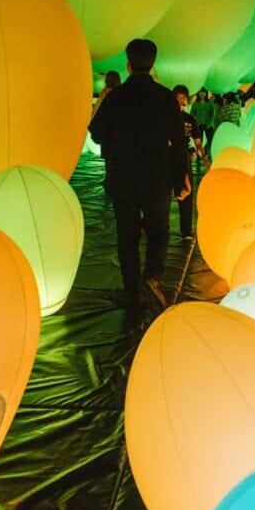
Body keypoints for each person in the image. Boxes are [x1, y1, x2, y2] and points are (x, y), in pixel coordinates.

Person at [89, 39, 189, 328]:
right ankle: (153, 274)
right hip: (157, 176)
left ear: (128, 64)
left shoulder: (116, 97)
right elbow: (179, 142)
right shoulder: (165, 97)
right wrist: (180, 175)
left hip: (124, 177)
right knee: (159, 230)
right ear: (153, 64)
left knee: (127, 235)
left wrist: (117, 142)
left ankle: (132, 288)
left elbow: (96, 133)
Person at [173, 84, 210, 240]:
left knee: (186, 194)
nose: (181, 100)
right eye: (178, 97)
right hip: (165, 158)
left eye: (183, 97)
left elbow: (198, 142)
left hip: (183, 158)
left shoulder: (190, 119)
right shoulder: (165, 117)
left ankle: (186, 231)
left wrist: (204, 159)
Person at [191, 87, 216, 155]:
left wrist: (208, 124)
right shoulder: (195, 103)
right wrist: (196, 124)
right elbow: (192, 115)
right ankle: (200, 156)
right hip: (199, 125)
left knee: (211, 141)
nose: (202, 94)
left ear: (206, 93)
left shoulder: (210, 103)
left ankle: (210, 154)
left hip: (209, 125)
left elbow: (213, 114)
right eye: (200, 92)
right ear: (198, 93)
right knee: (199, 142)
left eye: (203, 92)